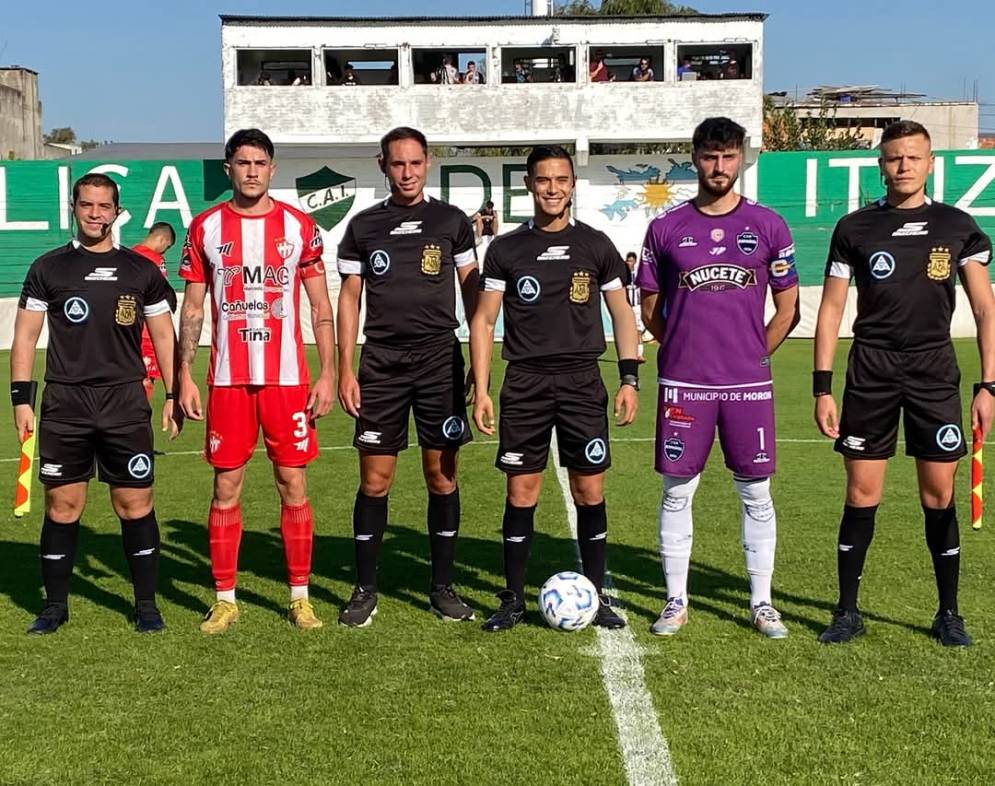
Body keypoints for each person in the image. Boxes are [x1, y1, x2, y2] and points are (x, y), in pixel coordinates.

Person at [813, 120, 994, 647]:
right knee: (861, 492)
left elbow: (985, 310)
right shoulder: (854, 229)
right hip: (871, 370)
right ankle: (847, 611)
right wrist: (822, 387)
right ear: (881, 165)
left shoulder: (958, 226)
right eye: (894, 158)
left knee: (939, 494)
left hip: (934, 371)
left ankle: (948, 613)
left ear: (930, 162)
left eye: (913, 157)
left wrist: (989, 386)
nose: (903, 166)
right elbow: (830, 310)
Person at [637, 117, 800, 639]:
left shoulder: (770, 226)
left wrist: (754, 355)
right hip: (685, 384)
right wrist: (683, 349)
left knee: (756, 492)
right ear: (695, 158)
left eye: (729, 156)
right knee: (676, 492)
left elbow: (789, 306)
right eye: (710, 156)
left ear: (742, 158)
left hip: (747, 385)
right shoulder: (666, 228)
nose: (719, 166)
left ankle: (762, 602)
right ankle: (675, 600)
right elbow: (650, 308)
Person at [470, 145, 640, 632]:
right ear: (528, 184)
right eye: (543, 180)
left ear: (572, 184)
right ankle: (513, 599)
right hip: (524, 382)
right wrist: (482, 389)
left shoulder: (597, 246)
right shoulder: (505, 249)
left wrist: (629, 377)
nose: (552, 188)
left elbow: (622, 314)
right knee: (522, 490)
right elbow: (483, 320)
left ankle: (596, 593)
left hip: (583, 381)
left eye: (561, 179)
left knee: (589, 489)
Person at [178, 128, 336, 634]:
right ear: (228, 169)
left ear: (272, 168)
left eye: (259, 162)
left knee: (293, 482)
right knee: (227, 485)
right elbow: (194, 309)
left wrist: (329, 372)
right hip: (227, 382)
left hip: (288, 380)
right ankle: (225, 598)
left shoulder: (298, 227)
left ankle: (300, 597)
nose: (251, 171)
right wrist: (183, 373)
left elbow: (319, 305)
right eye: (241, 162)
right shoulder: (204, 228)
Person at [11, 173, 180, 635]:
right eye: (87, 205)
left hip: (125, 401)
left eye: (104, 206)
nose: (95, 213)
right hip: (66, 403)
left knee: (134, 504)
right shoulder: (49, 268)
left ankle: (146, 604)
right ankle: (54, 607)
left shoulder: (140, 270)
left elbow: (164, 334)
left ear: (116, 211)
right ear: (74, 206)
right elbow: (25, 336)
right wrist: (21, 399)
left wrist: (174, 391)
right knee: (63, 506)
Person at [336, 126, 479, 627]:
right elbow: (350, 298)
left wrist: (479, 370)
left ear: (429, 163)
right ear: (383, 165)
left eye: (415, 163)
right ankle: (364, 588)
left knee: (441, 476)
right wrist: (345, 368)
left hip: (439, 360)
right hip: (381, 363)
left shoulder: (451, 221)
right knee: (375, 479)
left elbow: (473, 293)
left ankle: (442, 586)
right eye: (397, 164)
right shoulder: (363, 227)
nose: (407, 173)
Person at [132, 222, 176, 401]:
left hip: (129, 330)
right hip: (147, 332)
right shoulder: (155, 260)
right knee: (145, 383)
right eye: (166, 246)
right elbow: (162, 295)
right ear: (162, 239)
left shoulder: (128, 255)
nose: (165, 251)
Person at [623, 251, 645, 361]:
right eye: (627, 261)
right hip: (627, 306)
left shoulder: (638, 275)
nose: (629, 263)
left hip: (636, 306)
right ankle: (628, 354)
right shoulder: (623, 275)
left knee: (638, 330)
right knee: (627, 331)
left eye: (631, 261)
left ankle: (639, 354)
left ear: (635, 262)